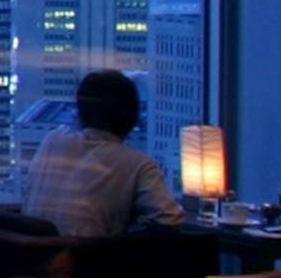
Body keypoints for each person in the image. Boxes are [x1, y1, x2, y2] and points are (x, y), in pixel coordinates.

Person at [20, 69, 183, 238]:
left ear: (81, 112)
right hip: (85, 260)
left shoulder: (53, 140)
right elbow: (169, 218)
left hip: (32, 257)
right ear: (131, 116)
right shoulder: (137, 165)